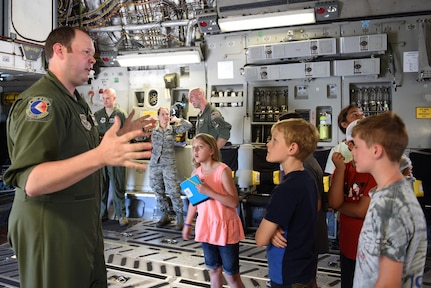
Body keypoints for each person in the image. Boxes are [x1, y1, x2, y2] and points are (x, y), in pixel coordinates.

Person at [4, 26, 155, 288]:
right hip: (51, 228)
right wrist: (100, 155)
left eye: (93, 54)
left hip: (78, 225)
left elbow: (73, 151)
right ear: (60, 51)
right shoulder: (43, 103)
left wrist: (115, 138)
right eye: (86, 51)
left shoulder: (74, 102)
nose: (93, 59)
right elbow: (33, 181)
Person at [350, 112, 427, 288]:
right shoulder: (385, 195)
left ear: (376, 150)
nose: (352, 151)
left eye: (357, 146)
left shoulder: (390, 206)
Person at [255, 118, 320, 288]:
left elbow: (261, 238)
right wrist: (275, 228)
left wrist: (270, 231)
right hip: (305, 267)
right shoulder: (306, 180)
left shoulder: (286, 188)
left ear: (292, 148)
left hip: (286, 272)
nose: (268, 144)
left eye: (274, 140)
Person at [182, 133, 245, 288]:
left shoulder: (223, 171)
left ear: (211, 150)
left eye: (200, 147)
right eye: (194, 147)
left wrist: (209, 191)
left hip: (225, 229)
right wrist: (187, 224)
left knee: (232, 276)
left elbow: (234, 202)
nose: (195, 151)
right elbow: (193, 202)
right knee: (214, 271)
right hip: (207, 228)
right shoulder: (195, 174)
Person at [273, 112, 328, 288]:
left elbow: (315, 203)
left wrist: (274, 225)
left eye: (276, 139)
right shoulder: (301, 164)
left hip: (300, 242)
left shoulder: (304, 168)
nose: (270, 143)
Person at [327, 119, 377, 288]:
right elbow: (333, 202)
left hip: (370, 250)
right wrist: (340, 170)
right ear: (350, 145)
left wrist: (341, 206)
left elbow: (361, 210)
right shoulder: (344, 169)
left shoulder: (375, 172)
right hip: (347, 245)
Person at [150, 107, 193, 230]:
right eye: (162, 114)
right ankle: (164, 215)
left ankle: (179, 217)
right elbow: (139, 136)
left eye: (167, 114)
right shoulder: (153, 130)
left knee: (173, 190)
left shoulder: (173, 129)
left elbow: (188, 125)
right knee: (157, 189)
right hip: (155, 164)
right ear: (158, 116)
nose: (165, 116)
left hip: (168, 164)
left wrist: (177, 119)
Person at [95, 88, 129, 226]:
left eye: (108, 98)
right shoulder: (97, 115)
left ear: (114, 98)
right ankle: (101, 214)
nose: (105, 101)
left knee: (117, 185)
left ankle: (121, 215)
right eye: (103, 98)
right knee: (101, 185)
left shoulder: (120, 115)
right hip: (101, 155)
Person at [324, 104, 364, 175]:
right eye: (355, 115)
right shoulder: (337, 150)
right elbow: (330, 177)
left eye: (362, 115)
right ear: (344, 124)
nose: (361, 117)